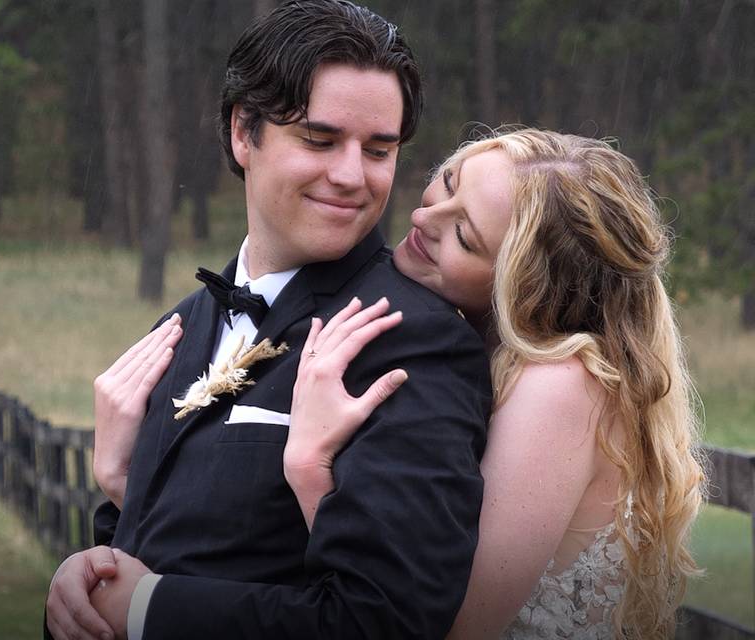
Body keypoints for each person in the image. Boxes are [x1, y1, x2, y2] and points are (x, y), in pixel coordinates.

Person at [44, 2, 492, 639]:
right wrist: (88, 570)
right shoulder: (178, 328)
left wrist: (144, 611)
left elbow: (385, 621)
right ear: (241, 133)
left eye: (378, 149)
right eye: (319, 139)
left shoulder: (410, 341)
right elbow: (190, 544)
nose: (350, 175)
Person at [284, 128, 706, 639]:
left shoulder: (560, 388)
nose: (423, 217)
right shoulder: (484, 358)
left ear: (523, 285)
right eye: (448, 182)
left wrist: (309, 469)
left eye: (465, 235)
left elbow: (444, 630)